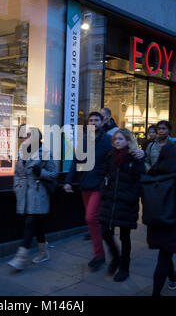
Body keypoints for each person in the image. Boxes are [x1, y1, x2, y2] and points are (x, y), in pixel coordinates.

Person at [64, 112, 144, 272]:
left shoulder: (109, 141)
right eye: (91, 120)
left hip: (102, 189)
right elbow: (76, 161)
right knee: (96, 223)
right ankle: (102, 255)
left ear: (103, 122)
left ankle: (106, 257)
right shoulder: (84, 140)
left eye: (96, 120)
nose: (93, 122)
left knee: (92, 218)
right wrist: (68, 180)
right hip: (87, 184)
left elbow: (127, 155)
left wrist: (141, 153)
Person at [146, 143, 176, 296]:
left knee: (165, 252)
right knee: (165, 256)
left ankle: (173, 278)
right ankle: (155, 292)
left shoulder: (154, 170)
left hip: (156, 218)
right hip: (173, 219)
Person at [8, 127, 58, 270]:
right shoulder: (21, 151)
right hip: (24, 193)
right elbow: (17, 173)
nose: (25, 137)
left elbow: (54, 173)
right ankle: (43, 252)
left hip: (38, 193)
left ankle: (20, 258)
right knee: (37, 224)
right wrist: (16, 187)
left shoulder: (45, 152)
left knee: (30, 222)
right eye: (25, 135)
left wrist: (40, 172)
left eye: (29, 135)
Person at [99, 128, 145, 282]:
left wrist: (131, 196)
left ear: (128, 141)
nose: (117, 141)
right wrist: (104, 192)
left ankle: (124, 267)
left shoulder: (135, 158)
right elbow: (104, 175)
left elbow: (140, 181)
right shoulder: (110, 156)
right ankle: (116, 257)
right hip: (110, 201)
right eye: (115, 139)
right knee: (105, 232)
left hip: (126, 203)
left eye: (120, 139)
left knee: (125, 237)